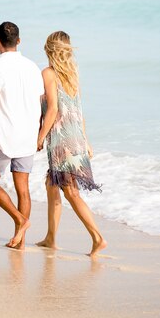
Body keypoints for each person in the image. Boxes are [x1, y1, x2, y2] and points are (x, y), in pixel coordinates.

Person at [36, 31, 107, 256]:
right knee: (52, 185)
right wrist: (86, 141)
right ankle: (50, 237)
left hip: (62, 141)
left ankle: (98, 238)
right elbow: (79, 111)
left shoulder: (48, 74)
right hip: (76, 138)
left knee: (71, 192)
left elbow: (54, 109)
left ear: (48, 49)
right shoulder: (72, 75)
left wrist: (39, 136)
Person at [0, 21, 43, 249]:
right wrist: (40, 133)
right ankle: (20, 242)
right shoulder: (33, 67)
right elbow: (41, 102)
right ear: (19, 41)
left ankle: (20, 220)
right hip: (28, 135)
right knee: (22, 188)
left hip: (5, 136)